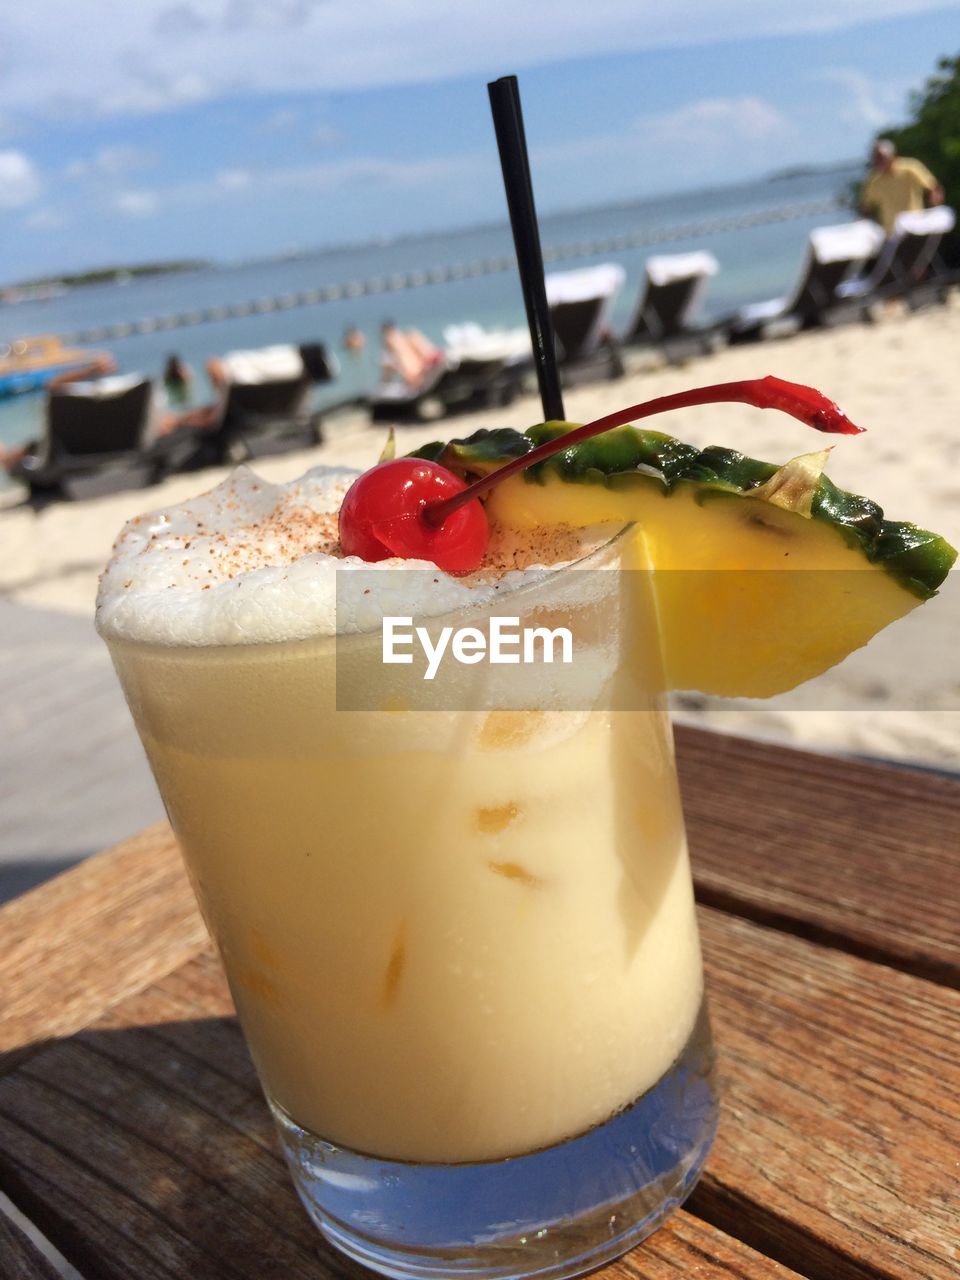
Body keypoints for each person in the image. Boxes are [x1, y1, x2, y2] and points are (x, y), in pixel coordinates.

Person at [859, 140, 944, 237]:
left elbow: (933, 187)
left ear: (891, 156)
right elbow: (866, 205)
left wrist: (935, 207)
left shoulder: (909, 168)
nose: (879, 161)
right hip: (891, 233)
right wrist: (861, 223)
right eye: (876, 158)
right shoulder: (874, 179)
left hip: (914, 227)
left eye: (881, 157)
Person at [380, 321, 444, 389]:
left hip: (415, 377)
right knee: (412, 335)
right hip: (425, 367)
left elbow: (387, 374)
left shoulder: (390, 343)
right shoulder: (406, 336)